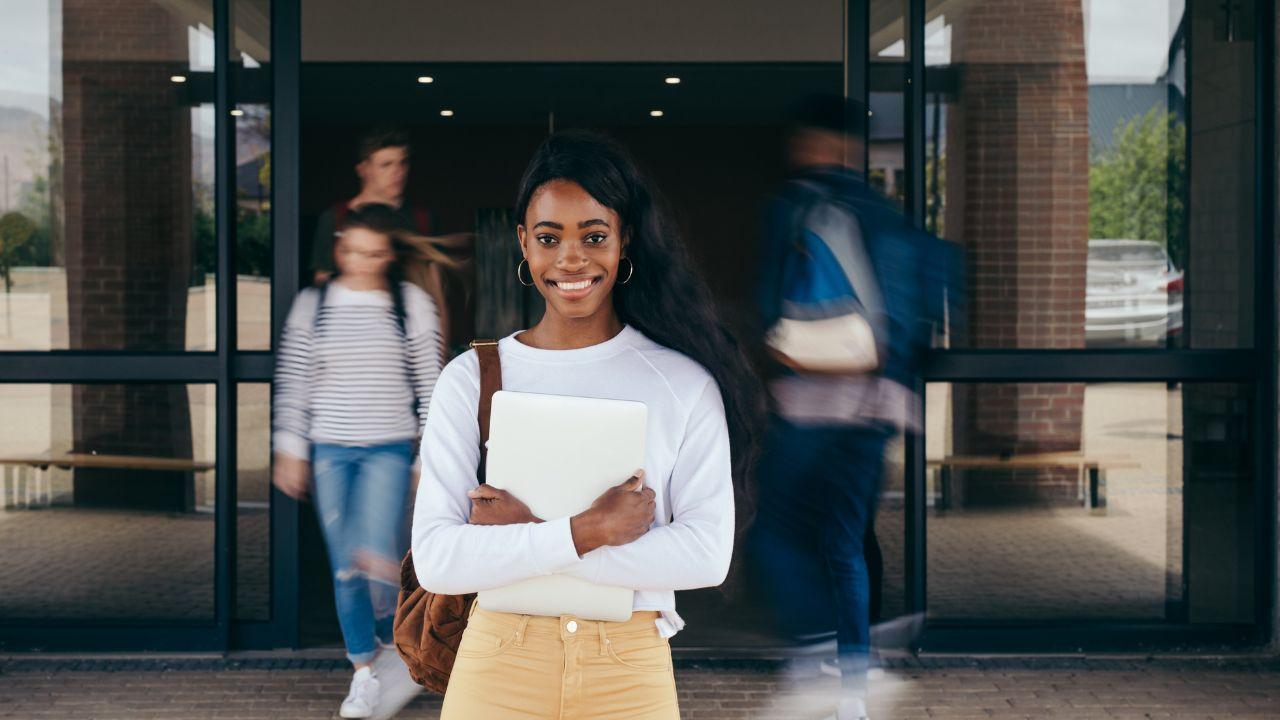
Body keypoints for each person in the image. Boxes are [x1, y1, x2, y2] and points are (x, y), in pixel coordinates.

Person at [411, 131, 762, 719]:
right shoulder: (471, 377)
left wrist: (535, 536)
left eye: (593, 236)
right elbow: (439, 558)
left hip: (627, 670)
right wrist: (584, 530)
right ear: (523, 243)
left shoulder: (681, 382)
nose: (571, 259)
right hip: (500, 662)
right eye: (549, 238)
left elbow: (705, 554)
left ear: (624, 241)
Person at [748, 95, 959, 720]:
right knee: (844, 540)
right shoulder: (888, 213)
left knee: (772, 529)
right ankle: (854, 683)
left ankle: (813, 652)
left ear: (807, 144)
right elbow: (935, 295)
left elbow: (768, 305)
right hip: (879, 406)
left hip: (812, 404)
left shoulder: (793, 206)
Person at [273, 204, 445, 719]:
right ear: (340, 248)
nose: (362, 262)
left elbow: (431, 383)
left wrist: (424, 458)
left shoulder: (409, 303)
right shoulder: (314, 304)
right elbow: (295, 377)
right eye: (352, 251)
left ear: (388, 254)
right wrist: (290, 448)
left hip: (388, 449)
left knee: (371, 551)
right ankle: (365, 672)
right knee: (346, 564)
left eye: (373, 253)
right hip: (329, 449)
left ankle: (402, 647)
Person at [310, 126, 463, 349]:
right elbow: (321, 290)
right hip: (350, 342)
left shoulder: (422, 219)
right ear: (363, 169)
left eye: (403, 163)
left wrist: (440, 357)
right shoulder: (336, 219)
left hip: (411, 342)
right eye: (386, 165)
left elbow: (437, 295)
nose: (398, 172)